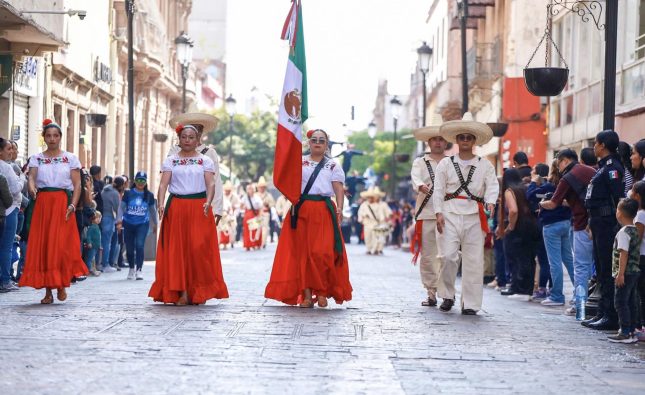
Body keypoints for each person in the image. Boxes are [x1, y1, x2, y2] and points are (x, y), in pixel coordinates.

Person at [265, 129, 352, 307]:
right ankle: (306, 295)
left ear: (326, 144)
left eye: (321, 140)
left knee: (322, 253)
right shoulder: (299, 162)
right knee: (302, 254)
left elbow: (338, 189)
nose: (318, 142)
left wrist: (340, 209)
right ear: (309, 143)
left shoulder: (333, 165)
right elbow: (286, 181)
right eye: (314, 140)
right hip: (301, 209)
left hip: (323, 211)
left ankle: (321, 292)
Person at [149, 122, 228, 305]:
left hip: (199, 208)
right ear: (179, 139)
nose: (187, 140)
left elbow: (211, 184)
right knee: (178, 251)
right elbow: (163, 184)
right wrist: (160, 203)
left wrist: (209, 202)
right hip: (176, 207)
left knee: (198, 250)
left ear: (197, 140)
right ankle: (182, 292)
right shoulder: (171, 160)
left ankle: (199, 289)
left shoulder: (205, 160)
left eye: (191, 137)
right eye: (184, 137)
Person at [433, 112, 499, 315]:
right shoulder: (445, 163)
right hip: (450, 212)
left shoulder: (484, 164)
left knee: (474, 260)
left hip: (474, 215)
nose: (465, 141)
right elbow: (438, 189)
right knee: (448, 257)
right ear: (456, 140)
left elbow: (492, 185)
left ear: (474, 140)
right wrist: (438, 212)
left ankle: (470, 303)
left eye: (468, 137)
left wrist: (490, 202)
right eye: (461, 137)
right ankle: (447, 294)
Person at [18, 119, 88, 303]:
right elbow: (31, 178)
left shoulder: (70, 158)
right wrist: (32, 187)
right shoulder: (36, 158)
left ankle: (62, 284)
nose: (52, 139)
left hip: (62, 204)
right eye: (48, 135)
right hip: (43, 204)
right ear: (44, 138)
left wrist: (72, 205)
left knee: (61, 247)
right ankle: (48, 292)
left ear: (60, 137)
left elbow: (77, 184)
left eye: (55, 135)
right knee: (45, 246)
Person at [540, 149, 597, 316]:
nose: (558, 167)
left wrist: (542, 203)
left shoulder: (567, 177)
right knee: (592, 266)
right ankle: (591, 302)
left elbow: (552, 204)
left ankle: (580, 305)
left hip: (581, 225)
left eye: (559, 163)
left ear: (564, 160)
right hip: (598, 224)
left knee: (580, 266)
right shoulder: (589, 170)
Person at [583, 130, 625, 330]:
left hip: (608, 223)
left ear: (603, 145)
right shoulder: (602, 167)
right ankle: (601, 311)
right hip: (598, 221)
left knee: (607, 269)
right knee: (600, 269)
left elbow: (618, 198)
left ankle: (610, 315)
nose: (594, 146)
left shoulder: (612, 168)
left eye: (596, 143)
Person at [410, 113, 447, 307]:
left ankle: (446, 291)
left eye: (441, 139)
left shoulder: (452, 162)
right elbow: (415, 178)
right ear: (429, 142)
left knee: (448, 254)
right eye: (435, 139)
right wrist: (420, 186)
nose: (438, 143)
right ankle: (431, 292)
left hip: (448, 214)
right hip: (426, 213)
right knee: (429, 255)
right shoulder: (420, 162)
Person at [528, 160, 573, 306]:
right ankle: (580, 293)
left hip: (551, 225)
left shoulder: (548, 186)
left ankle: (557, 296)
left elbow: (530, 196)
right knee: (569, 260)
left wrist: (534, 183)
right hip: (566, 223)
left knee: (554, 262)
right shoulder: (567, 184)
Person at [167, 112, 223, 221]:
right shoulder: (174, 151)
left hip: (202, 204)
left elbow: (216, 182)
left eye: (199, 128)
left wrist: (218, 208)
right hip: (178, 203)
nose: (196, 131)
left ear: (201, 132)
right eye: (192, 127)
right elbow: (167, 179)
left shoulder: (210, 153)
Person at [498, 168, 539, 301]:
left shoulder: (510, 191)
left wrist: (510, 226)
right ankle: (527, 289)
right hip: (531, 226)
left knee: (515, 258)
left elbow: (513, 210)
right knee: (528, 258)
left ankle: (518, 288)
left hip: (518, 227)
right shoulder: (525, 188)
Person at [607, 198, 641, 343]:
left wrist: (620, 274)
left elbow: (623, 253)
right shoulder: (635, 230)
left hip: (625, 272)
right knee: (631, 301)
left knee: (620, 301)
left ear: (619, 213)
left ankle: (625, 332)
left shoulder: (623, 232)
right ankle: (632, 331)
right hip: (634, 271)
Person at [116, 171, 158, 280]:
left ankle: (139, 269)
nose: (140, 182)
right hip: (128, 223)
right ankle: (131, 268)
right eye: (138, 180)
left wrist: (156, 224)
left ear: (145, 182)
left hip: (142, 224)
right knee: (129, 248)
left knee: (139, 245)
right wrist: (119, 221)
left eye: (143, 180)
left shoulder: (149, 195)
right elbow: (121, 207)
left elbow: (153, 211)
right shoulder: (128, 193)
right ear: (135, 181)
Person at [0, 138, 25, 291]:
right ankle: (5, 280)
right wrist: (22, 177)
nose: (11, 152)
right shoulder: (7, 168)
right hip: (9, 210)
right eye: (8, 149)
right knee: (7, 247)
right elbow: (15, 189)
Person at [630, 181, 645, 341]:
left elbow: (637, 239)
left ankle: (641, 325)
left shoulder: (641, 215)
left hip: (641, 257)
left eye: (633, 192)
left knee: (640, 292)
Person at [100, 176, 125, 272]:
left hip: (103, 217)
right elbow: (117, 208)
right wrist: (119, 221)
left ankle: (103, 263)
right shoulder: (115, 193)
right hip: (110, 218)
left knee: (105, 242)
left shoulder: (104, 190)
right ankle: (106, 264)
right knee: (107, 243)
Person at [358, 187, 391, 255]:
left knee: (377, 237)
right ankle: (369, 249)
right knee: (367, 237)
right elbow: (360, 212)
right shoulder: (364, 204)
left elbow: (387, 213)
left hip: (378, 223)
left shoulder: (382, 204)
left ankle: (377, 249)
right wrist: (362, 218)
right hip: (367, 223)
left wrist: (388, 219)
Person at [242, 184, 263, 251]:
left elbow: (260, 207)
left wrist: (259, 215)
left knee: (255, 230)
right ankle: (247, 245)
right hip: (248, 214)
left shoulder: (257, 197)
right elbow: (241, 205)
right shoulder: (245, 197)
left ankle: (255, 244)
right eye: (249, 189)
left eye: (252, 189)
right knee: (247, 230)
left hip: (255, 214)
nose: (251, 190)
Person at [256, 176, 276, 247]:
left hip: (265, 213)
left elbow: (273, 203)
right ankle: (256, 242)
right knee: (257, 227)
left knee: (265, 228)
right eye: (260, 187)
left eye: (263, 187)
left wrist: (268, 205)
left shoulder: (268, 195)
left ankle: (263, 242)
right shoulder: (256, 195)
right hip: (258, 214)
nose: (261, 188)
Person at [83, 211, 102, 276]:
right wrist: (89, 242)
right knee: (89, 259)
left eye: (100, 218)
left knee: (93, 259)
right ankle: (88, 270)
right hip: (92, 246)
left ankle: (93, 270)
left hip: (96, 246)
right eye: (97, 218)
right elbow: (88, 235)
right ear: (92, 218)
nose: (99, 219)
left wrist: (100, 245)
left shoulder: (97, 226)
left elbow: (98, 237)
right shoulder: (91, 227)